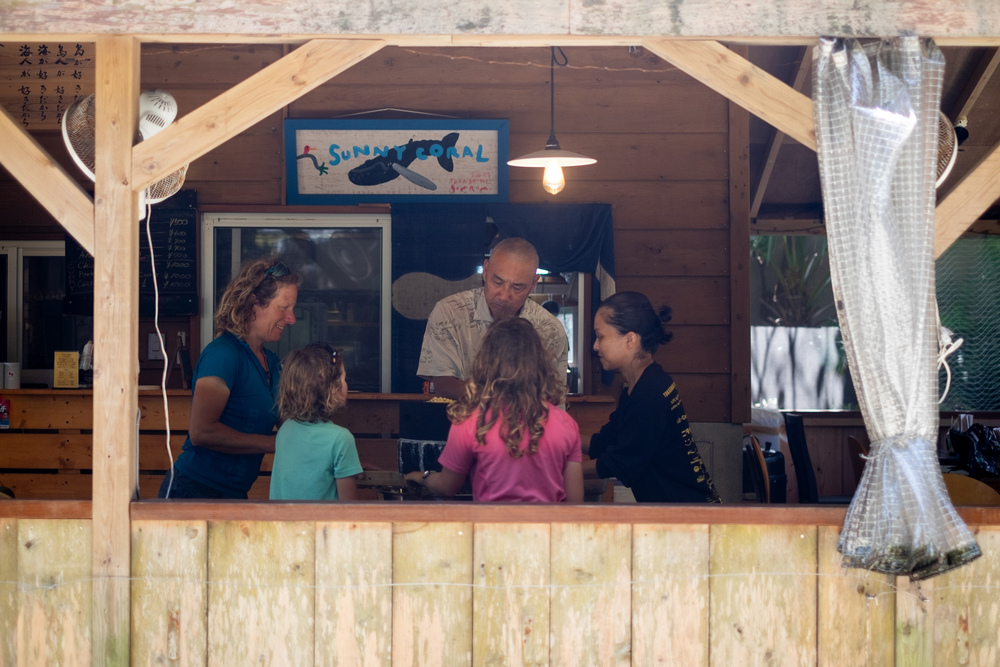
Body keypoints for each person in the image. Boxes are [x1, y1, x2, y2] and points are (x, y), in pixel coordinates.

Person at [158, 256, 300, 499]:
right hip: (191, 491)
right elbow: (202, 432)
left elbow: (291, 428)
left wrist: (340, 456)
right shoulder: (222, 354)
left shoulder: (271, 363)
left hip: (234, 494)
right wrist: (274, 444)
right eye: (284, 307)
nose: (292, 318)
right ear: (254, 303)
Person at [406, 317, 583, 502]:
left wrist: (421, 476)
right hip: (549, 522)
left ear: (486, 364)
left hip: (490, 522)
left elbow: (446, 487)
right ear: (540, 364)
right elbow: (576, 501)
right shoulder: (566, 424)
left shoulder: (471, 421)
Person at [585, 291, 722, 503]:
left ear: (630, 340)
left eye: (600, 336)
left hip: (688, 512)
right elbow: (606, 442)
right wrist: (559, 440)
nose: (595, 346)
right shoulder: (641, 385)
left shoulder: (650, 392)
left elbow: (621, 462)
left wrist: (560, 471)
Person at [417, 237, 568, 399]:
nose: (504, 296)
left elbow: (554, 397)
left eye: (517, 287)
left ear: (533, 283)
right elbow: (443, 385)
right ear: (486, 270)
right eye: (497, 282)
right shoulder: (449, 312)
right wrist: (505, 399)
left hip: (527, 416)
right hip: (460, 414)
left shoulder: (550, 329)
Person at [270, 343, 362, 500]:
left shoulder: (286, 429)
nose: (346, 384)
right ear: (331, 387)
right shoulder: (341, 439)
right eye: (343, 378)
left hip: (281, 517)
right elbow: (348, 507)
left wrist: (350, 466)